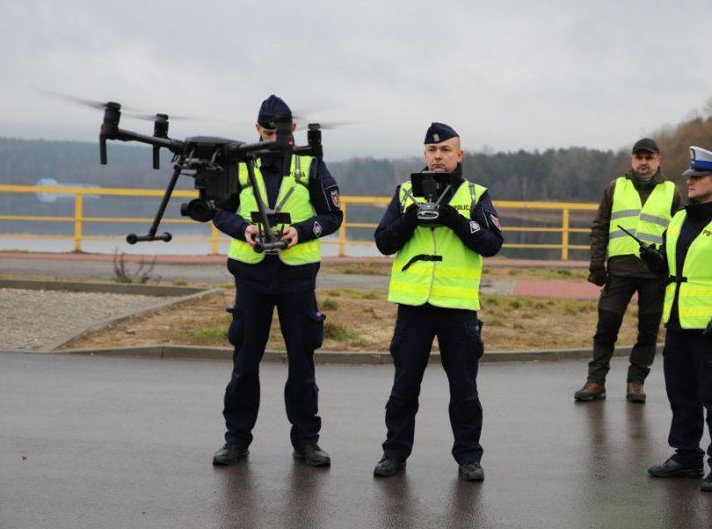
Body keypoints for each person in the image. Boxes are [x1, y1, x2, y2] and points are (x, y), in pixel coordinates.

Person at [209, 94, 343, 467]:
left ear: (293, 130)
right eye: (266, 132)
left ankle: (306, 441)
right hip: (251, 275)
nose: (273, 138)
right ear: (257, 129)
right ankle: (236, 440)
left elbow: (332, 216)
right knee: (244, 362)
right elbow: (218, 212)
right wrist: (244, 230)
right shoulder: (239, 162)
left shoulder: (310, 163)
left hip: (297, 278)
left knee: (302, 363)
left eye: (279, 132)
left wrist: (301, 232)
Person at [372, 122, 503, 482]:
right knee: (403, 388)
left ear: (459, 155)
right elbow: (383, 241)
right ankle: (394, 453)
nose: (438, 156)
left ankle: (469, 458)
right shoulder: (404, 193)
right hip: (413, 306)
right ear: (424, 155)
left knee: (463, 389)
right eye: (432, 151)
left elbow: (492, 243)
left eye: (445, 150)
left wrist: (456, 220)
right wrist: (410, 220)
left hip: (458, 308)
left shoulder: (476, 195)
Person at [642, 146, 712, 492]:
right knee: (681, 395)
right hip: (677, 324)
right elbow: (672, 269)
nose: (689, 182)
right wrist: (654, 260)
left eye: (697, 177)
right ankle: (687, 457)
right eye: (689, 177)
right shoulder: (678, 219)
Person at [575, 138, 681, 403]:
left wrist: (671, 270)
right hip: (619, 272)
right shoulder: (615, 188)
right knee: (606, 327)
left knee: (648, 330)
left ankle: (636, 381)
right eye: (639, 157)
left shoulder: (672, 192)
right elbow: (600, 227)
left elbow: (679, 235)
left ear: (658, 160)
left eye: (649, 158)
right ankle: (596, 381)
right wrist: (597, 264)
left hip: (654, 275)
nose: (643, 163)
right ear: (632, 160)